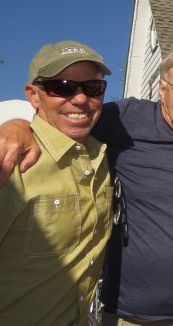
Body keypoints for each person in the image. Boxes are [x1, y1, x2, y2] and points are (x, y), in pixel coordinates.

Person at [0, 44, 173, 324]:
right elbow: (62, 117)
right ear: (162, 90)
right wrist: (15, 124)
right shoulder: (123, 119)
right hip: (129, 317)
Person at [0, 40, 112, 324]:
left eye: (93, 87)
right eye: (62, 87)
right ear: (34, 95)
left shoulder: (101, 155)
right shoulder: (10, 162)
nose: (80, 99)